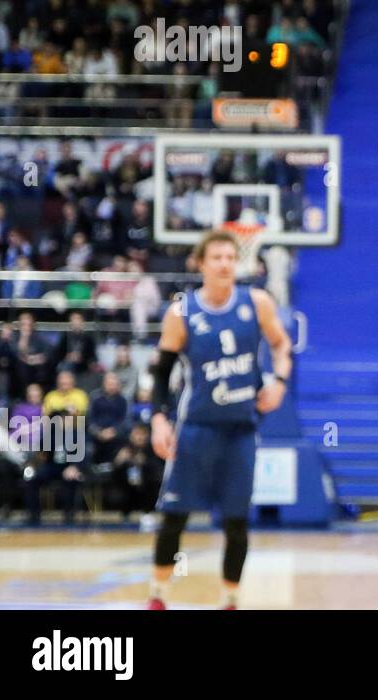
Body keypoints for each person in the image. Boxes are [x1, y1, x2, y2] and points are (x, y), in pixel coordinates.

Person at [146, 230, 291, 610]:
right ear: (201, 264)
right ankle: (158, 596)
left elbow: (281, 344)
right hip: (195, 428)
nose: (226, 263)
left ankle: (230, 600)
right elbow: (160, 375)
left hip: (241, 430)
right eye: (217, 257)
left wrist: (279, 380)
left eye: (230, 257)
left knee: (236, 521)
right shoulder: (182, 312)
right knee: (174, 516)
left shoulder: (256, 303)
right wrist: (158, 421)